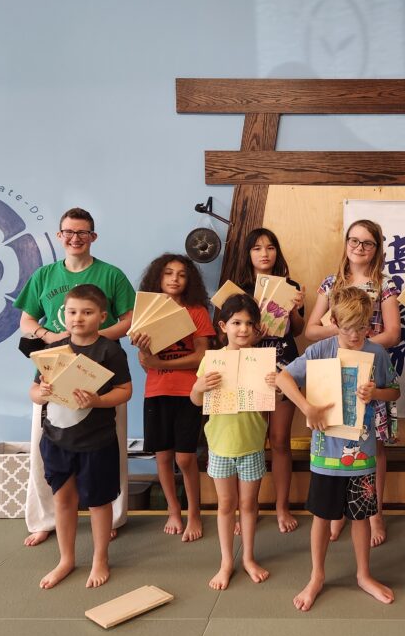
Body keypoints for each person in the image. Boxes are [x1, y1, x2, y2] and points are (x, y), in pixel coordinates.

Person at [15, 208, 135, 547]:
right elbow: (26, 321)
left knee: (108, 447)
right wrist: (50, 337)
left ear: (92, 237)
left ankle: (110, 515)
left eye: (82, 232)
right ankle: (44, 519)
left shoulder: (111, 275)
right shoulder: (44, 275)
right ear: (59, 235)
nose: (75, 238)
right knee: (47, 448)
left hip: (102, 371)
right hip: (54, 371)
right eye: (69, 231)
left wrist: (96, 343)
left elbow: (129, 320)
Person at [279, 286, 399, 611]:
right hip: (325, 453)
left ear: (370, 323)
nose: (355, 334)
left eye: (362, 327)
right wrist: (307, 408)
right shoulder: (320, 350)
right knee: (321, 517)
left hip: (362, 452)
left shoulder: (377, 353)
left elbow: (394, 392)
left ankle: (363, 574)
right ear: (333, 321)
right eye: (347, 328)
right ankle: (317, 575)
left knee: (361, 516)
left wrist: (377, 394)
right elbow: (283, 379)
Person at [306, 219, 402, 546]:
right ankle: (336, 515)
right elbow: (310, 330)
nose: (359, 247)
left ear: (377, 248)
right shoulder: (331, 283)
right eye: (354, 241)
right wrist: (345, 327)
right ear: (346, 244)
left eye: (367, 242)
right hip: (335, 372)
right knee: (340, 436)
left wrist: (364, 341)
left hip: (370, 370)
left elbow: (392, 333)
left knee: (372, 442)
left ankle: (374, 512)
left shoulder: (384, 285)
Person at [30, 285, 132, 589]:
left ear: (102, 316)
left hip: (96, 441)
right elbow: (34, 392)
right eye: (72, 312)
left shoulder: (110, 350)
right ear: (64, 315)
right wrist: (42, 392)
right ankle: (66, 559)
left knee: (99, 503)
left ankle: (100, 558)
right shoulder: (55, 350)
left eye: (87, 313)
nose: (79, 318)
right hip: (56, 439)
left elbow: (125, 391)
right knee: (63, 500)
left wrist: (97, 400)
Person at [190, 294, 276, 590]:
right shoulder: (211, 360)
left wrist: (273, 387)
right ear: (223, 325)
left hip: (252, 442)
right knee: (226, 505)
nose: (243, 329)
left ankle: (249, 558)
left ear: (257, 328)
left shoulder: (262, 361)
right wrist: (200, 386)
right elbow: (195, 398)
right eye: (236, 323)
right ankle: (227, 561)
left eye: (249, 324)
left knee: (249, 505)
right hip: (220, 445)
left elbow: (271, 399)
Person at [129, 253, 214, 542]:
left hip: (189, 393)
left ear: (189, 280)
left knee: (186, 457)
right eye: (168, 273)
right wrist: (145, 355)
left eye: (181, 274)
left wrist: (159, 363)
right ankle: (173, 510)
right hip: (156, 392)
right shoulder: (146, 313)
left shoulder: (197, 310)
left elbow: (202, 355)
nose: (174, 279)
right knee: (163, 456)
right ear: (158, 278)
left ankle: (194, 513)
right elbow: (145, 360)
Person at [226, 227, 306, 533]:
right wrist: (250, 336)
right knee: (250, 442)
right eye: (257, 248)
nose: (264, 253)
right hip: (248, 366)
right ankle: (247, 507)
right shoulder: (238, 290)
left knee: (280, 440)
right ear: (248, 254)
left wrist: (295, 309)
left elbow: (297, 330)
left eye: (270, 247)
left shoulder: (291, 285)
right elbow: (229, 334)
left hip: (285, 365)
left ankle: (282, 506)